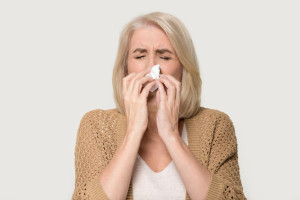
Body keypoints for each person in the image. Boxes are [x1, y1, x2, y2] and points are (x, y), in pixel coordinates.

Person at [72, 12, 247, 200]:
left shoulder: (215, 125)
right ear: (125, 69)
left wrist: (171, 135)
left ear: (183, 69)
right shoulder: (97, 126)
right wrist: (134, 131)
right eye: (139, 56)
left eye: (165, 57)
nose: (152, 69)